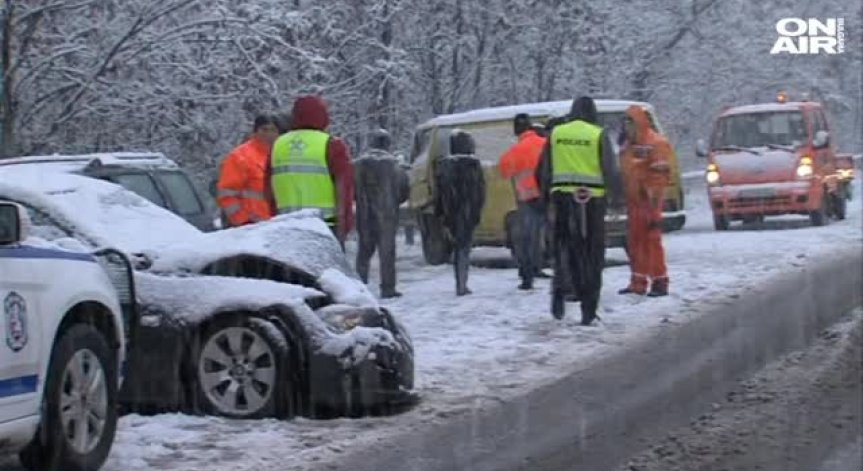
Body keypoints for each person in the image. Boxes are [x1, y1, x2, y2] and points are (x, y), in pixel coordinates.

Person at [536, 96, 621, 324]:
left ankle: (559, 290)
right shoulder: (597, 134)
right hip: (592, 203)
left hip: (562, 201)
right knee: (592, 255)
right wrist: (616, 199)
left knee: (564, 250)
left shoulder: (557, 134)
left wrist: (547, 197)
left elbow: (543, 170)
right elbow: (610, 171)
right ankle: (588, 309)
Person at [267, 96, 354, 247]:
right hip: (323, 226)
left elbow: (268, 189)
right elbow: (344, 189)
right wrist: (344, 225)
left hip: (285, 225)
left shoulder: (278, 145)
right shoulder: (332, 145)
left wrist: (274, 217)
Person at [618, 105, 672, 297]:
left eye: (629, 123)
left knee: (651, 242)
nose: (626, 127)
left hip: (648, 202)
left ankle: (660, 281)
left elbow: (660, 175)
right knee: (635, 242)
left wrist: (654, 203)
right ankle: (638, 281)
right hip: (634, 201)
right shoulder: (628, 145)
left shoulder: (656, 143)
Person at [354, 129, 410, 298]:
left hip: (364, 214)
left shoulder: (357, 165)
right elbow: (404, 191)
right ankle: (388, 288)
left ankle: (359, 286)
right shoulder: (395, 166)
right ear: (387, 144)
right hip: (387, 215)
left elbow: (350, 190)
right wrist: (391, 202)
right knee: (387, 253)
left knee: (364, 251)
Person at [498, 113, 546, 290]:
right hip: (546, 196)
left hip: (526, 198)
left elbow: (504, 172)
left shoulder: (514, 151)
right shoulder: (545, 145)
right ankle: (544, 266)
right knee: (547, 234)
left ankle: (527, 275)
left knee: (527, 238)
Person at [435, 129, 485, 296]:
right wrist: (477, 210)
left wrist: (441, 213)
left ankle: (460, 282)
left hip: (451, 211)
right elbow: (480, 191)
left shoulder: (444, 165)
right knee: (464, 247)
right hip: (468, 211)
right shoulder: (473, 165)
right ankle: (462, 283)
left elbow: (439, 192)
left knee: (457, 246)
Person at [217, 114, 279, 227]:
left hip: (275, 225)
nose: (269, 134)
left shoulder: (280, 155)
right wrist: (242, 221)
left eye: (273, 130)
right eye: (264, 130)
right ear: (255, 132)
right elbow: (227, 193)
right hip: (250, 227)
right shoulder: (240, 157)